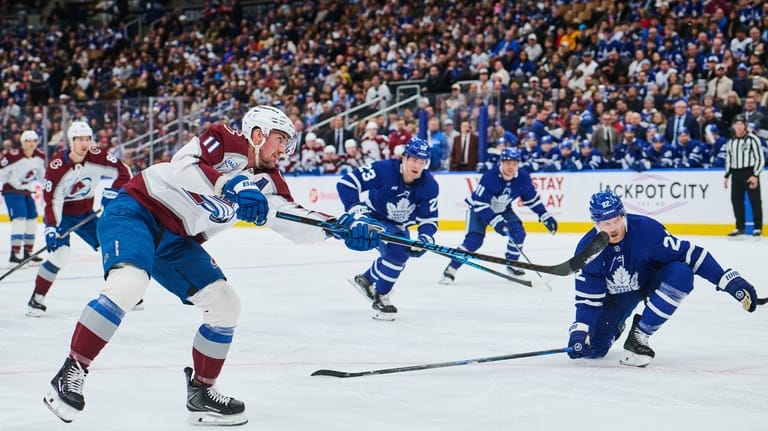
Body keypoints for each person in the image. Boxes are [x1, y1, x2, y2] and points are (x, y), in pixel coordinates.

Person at [43, 105, 381, 426]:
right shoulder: (224, 138)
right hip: (138, 209)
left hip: (177, 241)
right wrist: (230, 184)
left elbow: (294, 221)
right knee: (129, 284)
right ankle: (72, 371)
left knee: (225, 304)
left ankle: (202, 392)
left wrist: (340, 229)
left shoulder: (271, 183)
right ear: (259, 133)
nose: (285, 149)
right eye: (282, 139)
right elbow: (183, 166)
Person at [567, 189, 759, 367]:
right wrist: (580, 331)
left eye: (617, 220)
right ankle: (616, 325)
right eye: (606, 224)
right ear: (595, 224)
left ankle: (640, 334)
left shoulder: (647, 230)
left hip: (650, 280)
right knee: (594, 351)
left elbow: (691, 254)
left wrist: (727, 280)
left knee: (681, 273)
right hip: (616, 299)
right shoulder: (587, 250)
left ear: (623, 214)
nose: (613, 228)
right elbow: (588, 301)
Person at [27, 122, 132, 317]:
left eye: (87, 138)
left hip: (87, 214)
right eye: (79, 139)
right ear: (71, 141)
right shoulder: (57, 166)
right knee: (61, 255)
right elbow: (52, 199)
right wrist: (51, 227)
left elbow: (123, 172)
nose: (85, 143)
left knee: (110, 246)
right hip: (63, 217)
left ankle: (124, 293)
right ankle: (37, 298)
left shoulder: (97, 155)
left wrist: (113, 191)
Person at [339, 137, 438, 321]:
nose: (417, 165)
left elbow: (428, 218)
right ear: (405, 158)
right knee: (398, 252)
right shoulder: (384, 169)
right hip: (373, 218)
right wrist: (356, 209)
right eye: (414, 160)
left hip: (398, 225)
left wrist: (425, 239)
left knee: (403, 254)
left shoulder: (429, 185)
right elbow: (347, 183)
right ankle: (380, 297)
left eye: (422, 162)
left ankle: (366, 279)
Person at [439, 148, 557, 284]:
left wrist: (545, 215)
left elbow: (532, 199)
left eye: (514, 163)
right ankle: (451, 270)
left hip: (503, 209)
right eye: (508, 163)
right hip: (479, 209)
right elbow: (480, 204)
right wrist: (497, 222)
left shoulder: (523, 178)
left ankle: (512, 264)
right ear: (501, 163)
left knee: (518, 233)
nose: (511, 167)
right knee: (474, 241)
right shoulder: (490, 177)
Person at [0, 130, 46, 267]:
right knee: (19, 220)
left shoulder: (40, 157)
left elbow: (42, 175)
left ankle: (28, 253)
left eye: (33, 141)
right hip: (12, 192)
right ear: (22, 142)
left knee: (32, 220)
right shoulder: (13, 156)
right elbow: (2, 172)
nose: (31, 144)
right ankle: (14, 255)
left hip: (26, 192)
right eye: (28, 141)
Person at [724, 114, 764, 238]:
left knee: (755, 200)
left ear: (745, 125)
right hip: (736, 173)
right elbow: (729, 160)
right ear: (733, 126)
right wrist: (726, 176)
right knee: (736, 201)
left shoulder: (753, 139)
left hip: (749, 172)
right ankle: (739, 227)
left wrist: (755, 175)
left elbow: (760, 158)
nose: (739, 126)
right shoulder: (731, 142)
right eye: (737, 124)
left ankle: (757, 227)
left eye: (741, 124)